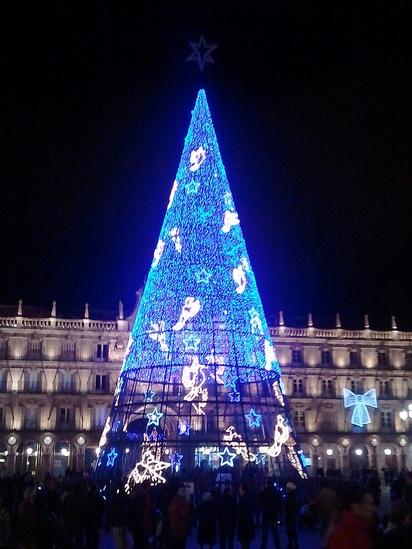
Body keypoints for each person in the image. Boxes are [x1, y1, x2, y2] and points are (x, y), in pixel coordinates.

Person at [326, 485, 375, 549]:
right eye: (369, 504)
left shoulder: (360, 526)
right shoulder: (343, 535)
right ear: (354, 506)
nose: (373, 508)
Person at [258, 480, 281, 549]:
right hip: (273, 513)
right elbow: (278, 503)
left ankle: (263, 545)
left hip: (266, 514)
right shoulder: (276, 493)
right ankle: (278, 546)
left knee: (265, 532)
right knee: (275, 531)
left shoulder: (263, 492)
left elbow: (260, 502)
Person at [237, 483, 255, 549]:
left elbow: (242, 511)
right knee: (246, 541)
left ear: (243, 490)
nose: (239, 491)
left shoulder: (244, 499)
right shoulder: (247, 498)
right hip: (247, 523)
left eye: (240, 489)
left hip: (244, 524)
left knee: (244, 541)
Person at [284, 482, 299, 549]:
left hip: (290, 516)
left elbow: (288, 506)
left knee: (290, 530)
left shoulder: (289, 497)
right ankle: (295, 543)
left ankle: (291, 544)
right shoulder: (294, 497)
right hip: (293, 515)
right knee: (293, 530)